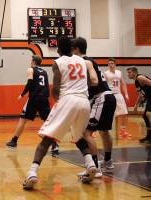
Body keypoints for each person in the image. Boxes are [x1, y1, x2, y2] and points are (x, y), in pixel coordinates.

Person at [22, 36, 99, 190]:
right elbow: (91, 82)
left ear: (58, 50)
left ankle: (32, 172)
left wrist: (59, 101)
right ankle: (90, 164)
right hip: (84, 102)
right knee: (78, 136)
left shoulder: (58, 62)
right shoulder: (82, 62)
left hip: (68, 100)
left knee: (47, 138)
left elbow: (56, 89)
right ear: (72, 48)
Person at [73, 37, 116, 178]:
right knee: (104, 131)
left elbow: (94, 81)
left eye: (72, 48)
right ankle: (108, 162)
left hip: (101, 97)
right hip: (110, 96)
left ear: (77, 49)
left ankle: (95, 168)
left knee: (86, 133)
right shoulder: (92, 60)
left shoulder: (84, 62)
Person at [5, 55, 59, 156]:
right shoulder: (44, 72)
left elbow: (29, 83)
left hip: (34, 98)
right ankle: (55, 144)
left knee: (23, 119)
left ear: (33, 61)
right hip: (44, 98)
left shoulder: (31, 69)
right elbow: (46, 85)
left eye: (31, 60)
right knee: (48, 121)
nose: (30, 62)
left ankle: (14, 141)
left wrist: (22, 94)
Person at [104, 58, 130, 138]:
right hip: (110, 94)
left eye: (112, 63)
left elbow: (123, 83)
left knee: (124, 113)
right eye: (109, 64)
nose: (110, 65)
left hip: (118, 94)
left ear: (115, 64)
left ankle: (123, 131)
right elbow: (104, 85)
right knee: (106, 114)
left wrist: (126, 94)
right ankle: (100, 130)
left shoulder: (119, 72)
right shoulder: (105, 73)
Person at [127, 67, 151, 144]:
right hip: (149, 98)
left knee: (148, 114)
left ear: (134, 72)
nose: (128, 74)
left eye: (129, 72)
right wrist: (136, 105)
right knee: (144, 116)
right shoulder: (136, 82)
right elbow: (141, 95)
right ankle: (149, 136)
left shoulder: (140, 78)